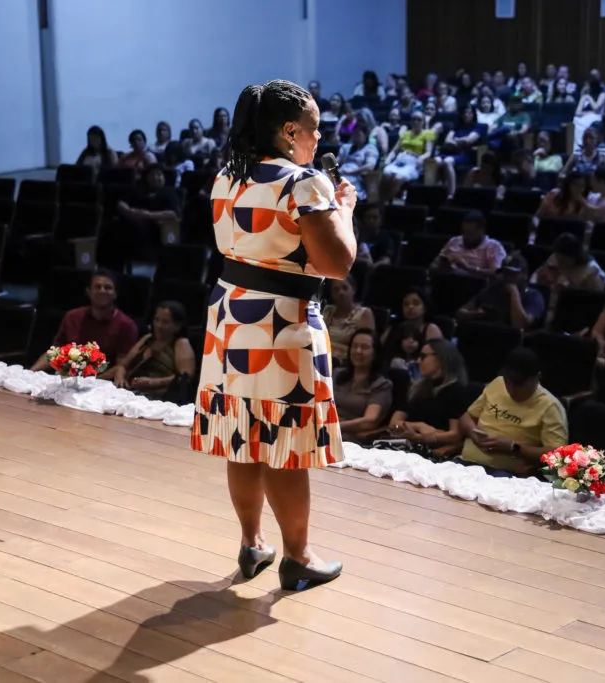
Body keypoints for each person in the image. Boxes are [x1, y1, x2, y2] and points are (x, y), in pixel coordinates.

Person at [191, 80, 357, 590]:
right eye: (314, 128)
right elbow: (337, 264)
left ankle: (251, 544)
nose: (318, 136)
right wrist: (345, 211)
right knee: (284, 445)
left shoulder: (227, 176)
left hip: (231, 316)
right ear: (289, 131)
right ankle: (299, 558)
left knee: (244, 437)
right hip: (281, 323)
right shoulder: (304, 184)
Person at [458, 348, 568, 477]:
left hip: (506, 474)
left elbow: (557, 454)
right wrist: (472, 432)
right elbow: (467, 417)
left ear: (537, 378)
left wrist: (514, 447)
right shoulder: (497, 384)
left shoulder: (550, 406)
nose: (511, 389)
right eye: (508, 382)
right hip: (466, 463)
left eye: (518, 384)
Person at [30, 269, 138, 375]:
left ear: (115, 294)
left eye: (108, 288)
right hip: (67, 379)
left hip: (104, 384)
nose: (102, 290)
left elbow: (121, 367)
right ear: (88, 292)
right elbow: (55, 353)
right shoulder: (72, 317)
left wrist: (90, 382)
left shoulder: (126, 325)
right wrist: (31, 372)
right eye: (97, 287)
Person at [387, 338, 471, 456]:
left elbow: (455, 434)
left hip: (432, 452)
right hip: (406, 446)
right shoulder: (417, 388)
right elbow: (393, 424)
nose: (418, 361)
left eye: (423, 356)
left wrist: (421, 437)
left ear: (440, 358)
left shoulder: (456, 391)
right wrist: (418, 426)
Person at [111, 300, 196, 402]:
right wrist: (120, 379)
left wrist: (153, 382)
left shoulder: (181, 343)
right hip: (131, 392)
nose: (159, 325)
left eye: (165, 322)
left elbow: (184, 378)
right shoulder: (147, 339)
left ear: (177, 326)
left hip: (159, 398)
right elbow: (122, 365)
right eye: (157, 320)